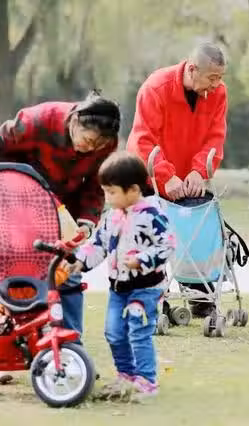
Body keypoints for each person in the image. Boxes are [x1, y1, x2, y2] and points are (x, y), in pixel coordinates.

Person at [0, 90, 121, 339]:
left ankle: (71, 342)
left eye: (98, 146)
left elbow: (95, 184)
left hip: (63, 212)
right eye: (88, 140)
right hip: (18, 204)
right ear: (75, 120)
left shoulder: (106, 143)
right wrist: (20, 184)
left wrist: (87, 222)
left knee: (68, 271)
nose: (90, 149)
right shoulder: (39, 120)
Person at [126, 41, 227, 317]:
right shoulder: (156, 87)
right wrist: (165, 175)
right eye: (212, 78)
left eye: (220, 78)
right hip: (149, 174)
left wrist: (199, 171)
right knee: (150, 237)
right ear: (192, 69)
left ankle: (200, 293)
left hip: (189, 178)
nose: (217, 84)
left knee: (195, 234)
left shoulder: (218, 93)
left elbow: (215, 138)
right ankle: (154, 297)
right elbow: (142, 139)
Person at [64, 151, 174, 402]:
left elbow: (167, 245)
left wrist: (142, 260)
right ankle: (126, 375)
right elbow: (98, 245)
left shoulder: (152, 215)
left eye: (111, 192)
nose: (107, 198)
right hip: (118, 288)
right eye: (105, 192)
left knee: (138, 330)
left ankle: (146, 381)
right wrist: (79, 262)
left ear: (133, 189)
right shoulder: (112, 217)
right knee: (113, 332)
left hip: (145, 288)